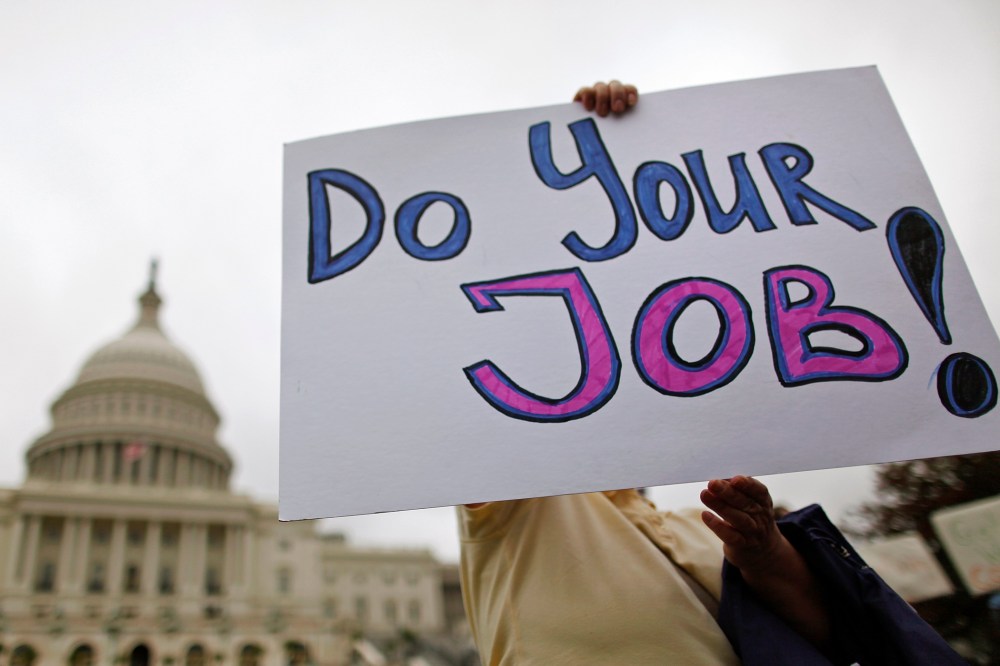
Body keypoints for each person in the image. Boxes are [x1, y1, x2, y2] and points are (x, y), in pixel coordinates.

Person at [455, 81, 967, 666]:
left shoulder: (703, 523)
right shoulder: (526, 509)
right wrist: (593, 138)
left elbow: (831, 635)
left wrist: (765, 552)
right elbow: (486, 381)